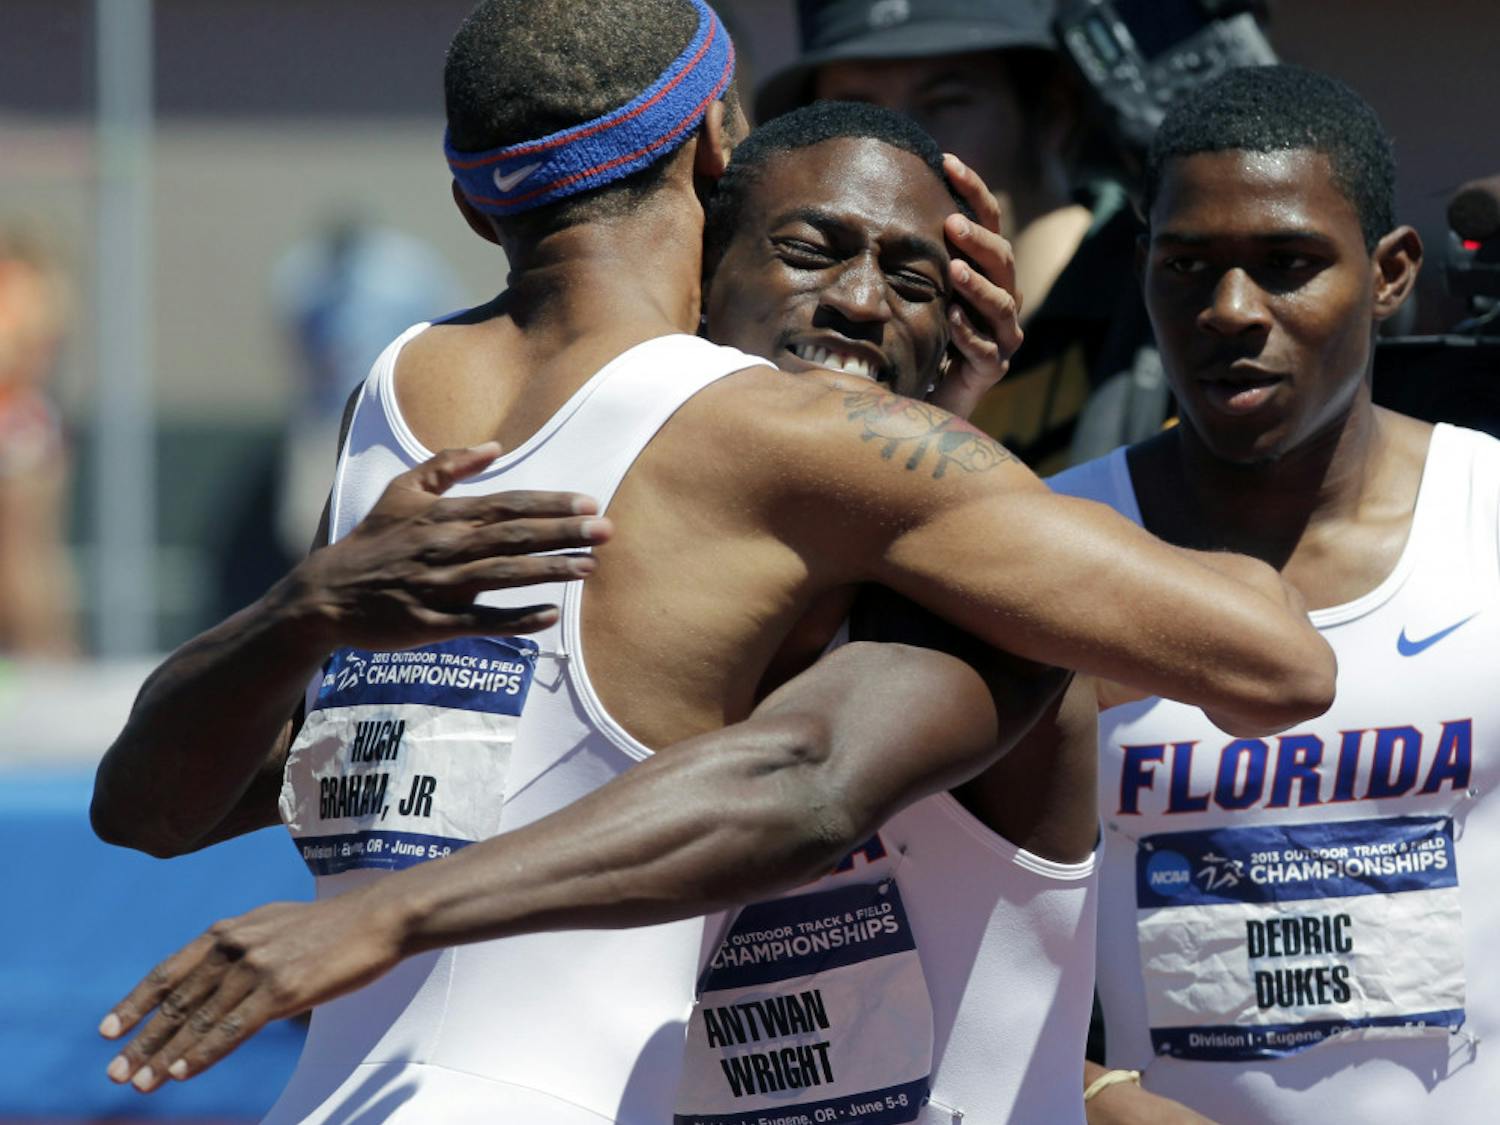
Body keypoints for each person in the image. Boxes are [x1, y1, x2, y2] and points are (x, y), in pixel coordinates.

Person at [91, 2, 1334, 1121]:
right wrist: (303, 617)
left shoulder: (417, 404)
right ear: (713, 162)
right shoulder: (628, 438)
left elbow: (807, 776)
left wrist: (942, 448)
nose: (859, 301)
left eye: (913, 275)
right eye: (811, 250)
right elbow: (153, 810)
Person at [1045, 66, 1500, 1124]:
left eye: (1288, 266)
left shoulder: (1490, 517)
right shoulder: (1045, 551)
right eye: (1188, 267)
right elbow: (927, 930)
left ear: (1389, 274)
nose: (1230, 312)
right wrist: (1101, 1098)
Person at [755, 0, 1162, 472]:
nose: (901, 145)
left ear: (1054, 113)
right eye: (857, 111)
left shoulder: (1160, 309)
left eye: (945, 102)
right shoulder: (816, 331)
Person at [0, 228, 77, 656]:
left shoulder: (30, 287)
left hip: (19, 425)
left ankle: (45, 655)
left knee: (25, 553)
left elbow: (23, 352)